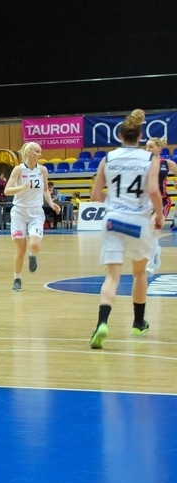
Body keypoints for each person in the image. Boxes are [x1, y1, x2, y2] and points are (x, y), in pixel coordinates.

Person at [88, 109, 163, 350]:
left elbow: (95, 196)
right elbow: (153, 190)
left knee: (112, 276)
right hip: (138, 221)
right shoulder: (150, 159)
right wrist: (160, 215)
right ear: (140, 136)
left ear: (119, 135)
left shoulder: (107, 159)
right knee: (140, 273)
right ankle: (138, 323)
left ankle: (101, 323)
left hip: (112, 220)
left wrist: (113, 202)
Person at [3, 143, 61, 291]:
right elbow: (7, 191)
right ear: (29, 153)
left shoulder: (42, 170)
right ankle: (17, 278)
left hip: (36, 212)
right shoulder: (18, 170)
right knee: (20, 249)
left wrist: (51, 203)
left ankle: (33, 255)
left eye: (40, 152)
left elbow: (46, 190)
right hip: (19, 213)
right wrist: (21, 187)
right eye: (37, 151)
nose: (40, 154)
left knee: (34, 245)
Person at [144, 137, 177, 227]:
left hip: (162, 201)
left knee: (154, 226)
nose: (147, 149)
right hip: (145, 201)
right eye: (146, 147)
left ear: (159, 148)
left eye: (150, 147)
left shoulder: (167, 163)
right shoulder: (142, 164)